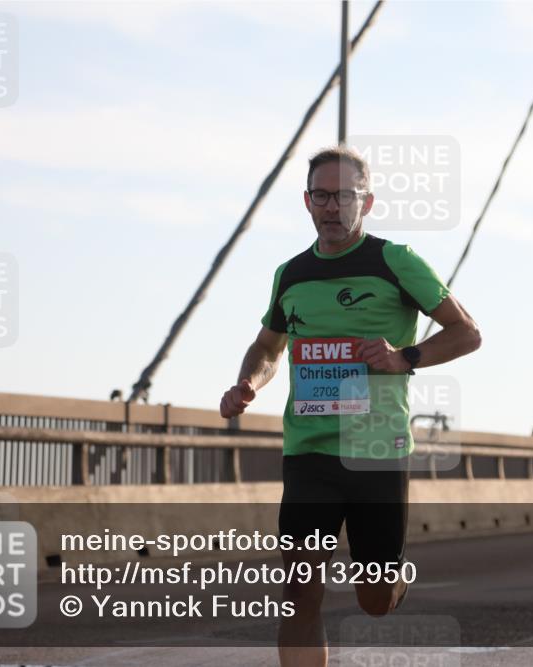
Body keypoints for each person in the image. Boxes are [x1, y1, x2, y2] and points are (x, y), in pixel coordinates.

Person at [219, 145, 481, 667]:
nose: (332, 206)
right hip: (309, 452)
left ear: (367, 202)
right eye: (322, 195)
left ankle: (392, 581)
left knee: (374, 600)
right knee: (298, 591)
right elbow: (269, 348)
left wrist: (403, 357)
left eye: (344, 196)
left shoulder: (395, 262)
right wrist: (249, 381)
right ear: (307, 202)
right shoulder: (290, 274)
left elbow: (466, 333)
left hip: (375, 452)